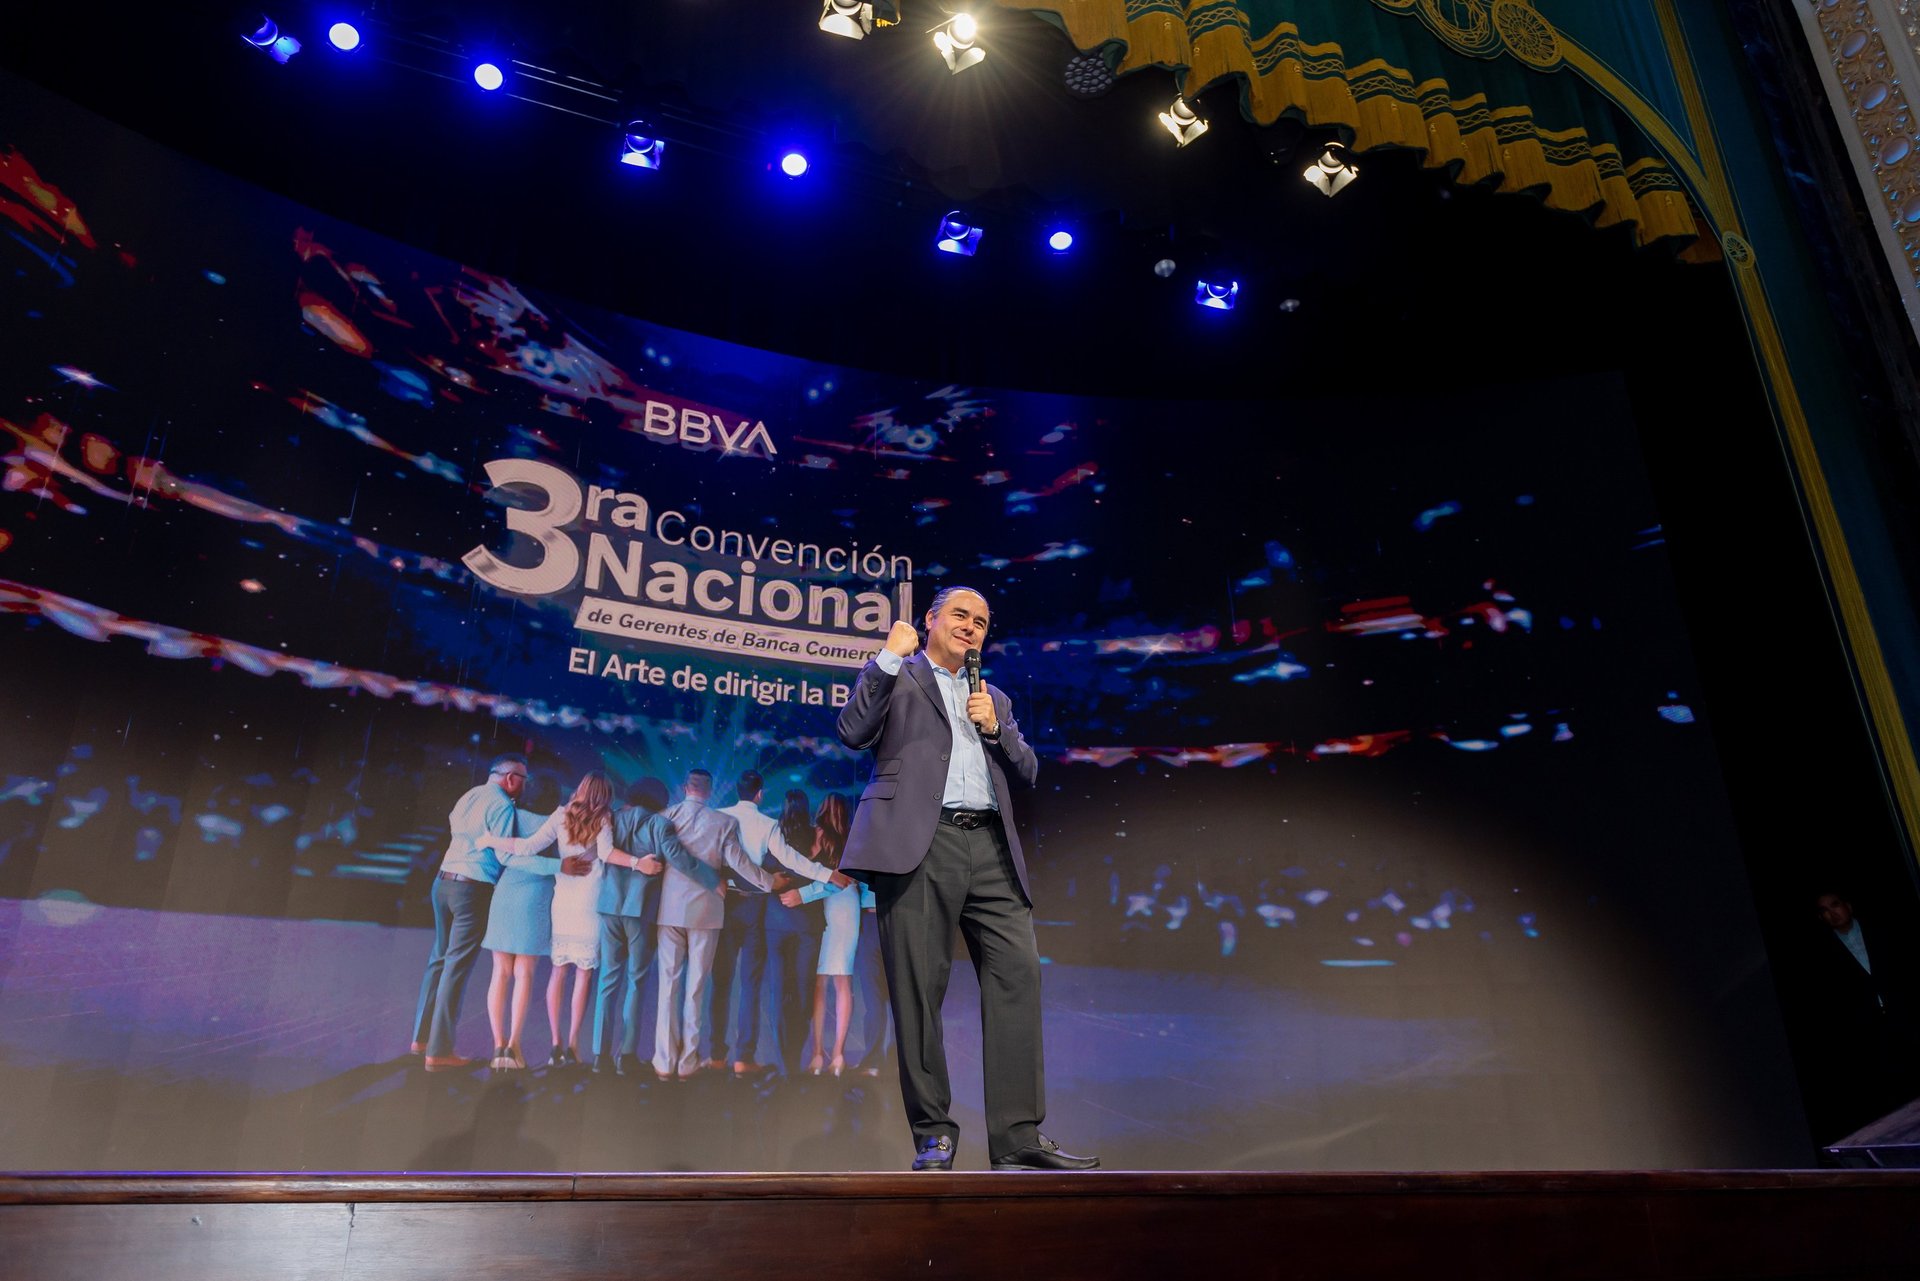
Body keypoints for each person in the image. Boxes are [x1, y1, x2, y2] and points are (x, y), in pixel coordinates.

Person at [835, 585, 1098, 1171]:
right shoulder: (897, 675)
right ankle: (933, 1133)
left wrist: (996, 729)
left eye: (981, 620)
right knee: (918, 989)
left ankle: (1018, 1137)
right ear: (930, 620)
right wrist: (887, 656)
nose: (971, 626)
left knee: (1017, 978)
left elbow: (1028, 769)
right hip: (919, 845)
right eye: (960, 614)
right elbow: (852, 730)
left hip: (991, 846)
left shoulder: (993, 696)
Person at [410, 754, 586, 1072]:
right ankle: (439, 1050)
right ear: (510, 778)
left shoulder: (470, 796)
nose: (523, 786)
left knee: (439, 960)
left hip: (443, 882)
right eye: (522, 779)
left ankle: (421, 1039)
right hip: (472, 888)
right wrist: (557, 865)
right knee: (457, 968)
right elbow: (508, 855)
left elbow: (454, 823)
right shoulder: (506, 807)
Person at [496, 769, 652, 1068]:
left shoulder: (560, 815)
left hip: (564, 900)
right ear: (605, 795)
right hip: (590, 901)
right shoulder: (604, 818)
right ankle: (573, 1044)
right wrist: (638, 863)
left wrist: (491, 840)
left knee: (558, 972)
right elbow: (606, 853)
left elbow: (527, 847)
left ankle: (555, 1044)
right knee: (584, 975)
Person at [711, 769, 849, 1076]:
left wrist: (715, 878)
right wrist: (826, 876)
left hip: (732, 908)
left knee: (722, 983)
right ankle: (749, 1057)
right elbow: (792, 861)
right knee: (755, 985)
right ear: (760, 794)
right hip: (763, 911)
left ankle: (716, 1056)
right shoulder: (769, 826)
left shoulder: (718, 817)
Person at [653, 768, 776, 1081]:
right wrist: (769, 882)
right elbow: (740, 863)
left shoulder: (666, 816)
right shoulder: (723, 822)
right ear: (709, 792)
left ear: (686, 788)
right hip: (706, 913)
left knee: (668, 987)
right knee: (695, 988)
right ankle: (687, 1062)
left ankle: (664, 1062)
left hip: (670, 911)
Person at [590, 777, 719, 1075]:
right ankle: (626, 1056)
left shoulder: (611, 818)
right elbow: (680, 859)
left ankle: (599, 1055)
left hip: (609, 907)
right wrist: (714, 880)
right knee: (636, 982)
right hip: (640, 911)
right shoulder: (660, 825)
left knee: (607, 980)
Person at [479, 771, 594, 1070]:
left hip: (506, 893)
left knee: (499, 973)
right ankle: (514, 1046)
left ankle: (497, 1046)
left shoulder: (512, 816)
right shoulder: (559, 818)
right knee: (524, 974)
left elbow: (507, 853)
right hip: (537, 897)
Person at [795, 793, 871, 1075]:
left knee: (819, 983)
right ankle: (838, 1055)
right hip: (847, 905)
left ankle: (817, 1054)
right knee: (843, 981)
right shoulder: (853, 838)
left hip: (822, 903)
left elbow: (807, 868)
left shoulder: (816, 835)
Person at [762, 789, 826, 1078]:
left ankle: (783, 1062)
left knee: (778, 992)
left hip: (776, 922)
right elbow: (828, 874)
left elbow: (765, 874)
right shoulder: (816, 836)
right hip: (807, 925)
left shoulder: (774, 835)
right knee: (802, 990)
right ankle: (796, 1057)